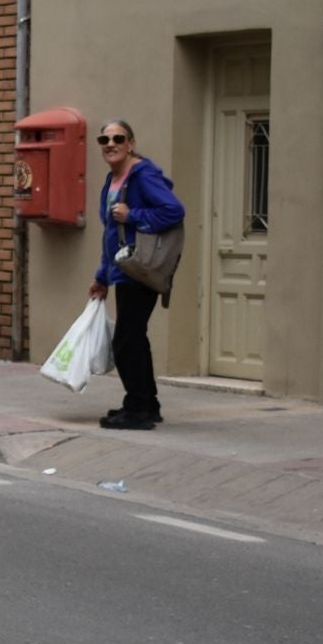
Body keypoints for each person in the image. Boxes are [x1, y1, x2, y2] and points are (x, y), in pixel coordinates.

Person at [87, 120, 185, 430]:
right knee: (135, 339)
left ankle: (139, 407)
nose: (110, 144)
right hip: (122, 270)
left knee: (126, 341)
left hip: (140, 269)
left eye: (118, 138)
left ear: (131, 143)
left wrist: (134, 215)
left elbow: (173, 210)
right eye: (105, 139)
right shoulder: (112, 179)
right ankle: (145, 404)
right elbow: (110, 234)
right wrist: (102, 277)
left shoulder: (142, 175)